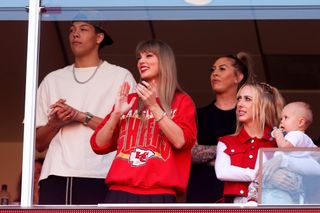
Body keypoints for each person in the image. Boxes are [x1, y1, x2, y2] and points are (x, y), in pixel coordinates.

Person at [35, 18, 136, 205]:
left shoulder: (121, 76)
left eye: (83, 29)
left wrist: (80, 116)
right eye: (72, 29)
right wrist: (55, 123)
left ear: (99, 37)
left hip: (104, 173)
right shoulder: (52, 79)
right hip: (57, 174)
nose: (75, 34)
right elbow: (38, 144)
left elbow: (129, 135)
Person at [90, 39, 197, 203]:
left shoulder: (182, 101)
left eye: (148, 56)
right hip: (120, 190)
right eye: (139, 58)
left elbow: (180, 141)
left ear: (164, 62)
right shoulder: (130, 100)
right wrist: (116, 114)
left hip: (160, 192)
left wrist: (154, 106)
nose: (141, 61)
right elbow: (98, 144)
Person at [186, 53, 255, 203]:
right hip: (202, 190)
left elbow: (255, 154)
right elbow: (189, 153)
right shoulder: (197, 114)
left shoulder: (249, 115)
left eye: (222, 69)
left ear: (238, 77)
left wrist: (210, 154)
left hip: (240, 193)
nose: (214, 73)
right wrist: (231, 152)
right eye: (213, 70)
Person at [215, 82, 285, 203]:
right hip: (236, 206)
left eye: (247, 99)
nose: (240, 104)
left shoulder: (279, 142)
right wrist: (263, 175)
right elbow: (222, 172)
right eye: (239, 99)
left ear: (263, 105)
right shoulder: (226, 141)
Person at [260, 101, 318, 204]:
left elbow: (284, 148)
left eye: (286, 118)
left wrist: (278, 135)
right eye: (281, 118)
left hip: (290, 175)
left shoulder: (296, 135)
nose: (281, 121)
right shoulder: (302, 138)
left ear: (300, 122)